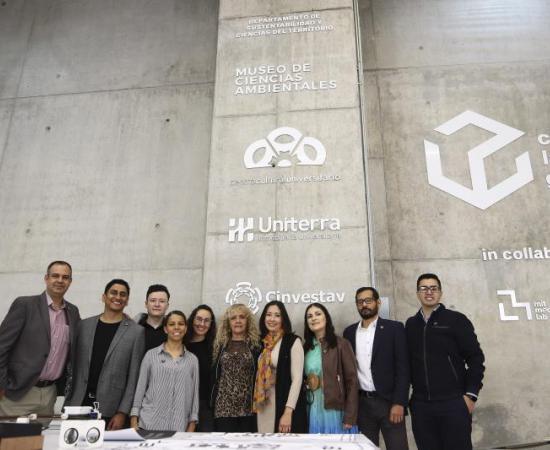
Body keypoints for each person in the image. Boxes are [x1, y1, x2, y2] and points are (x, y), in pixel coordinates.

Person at [406, 273, 485, 450]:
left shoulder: (456, 320)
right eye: (424, 288)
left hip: (454, 403)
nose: (429, 292)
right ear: (417, 293)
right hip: (421, 405)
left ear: (440, 292)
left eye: (433, 288)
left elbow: (475, 357)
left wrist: (470, 395)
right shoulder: (411, 324)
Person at [0, 261, 80, 417]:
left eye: (65, 277)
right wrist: (2, 384)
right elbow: (2, 347)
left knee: (40, 441)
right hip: (18, 393)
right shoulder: (25, 305)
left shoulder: (73, 312)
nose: (60, 280)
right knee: (11, 441)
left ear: (70, 282)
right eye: (55, 276)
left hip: (49, 395)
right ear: (46, 278)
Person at [64, 279, 145, 430]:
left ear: (127, 300)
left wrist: (122, 412)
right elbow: (72, 366)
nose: (118, 297)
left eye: (123, 294)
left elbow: (134, 376)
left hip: (110, 410)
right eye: (113, 292)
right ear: (104, 297)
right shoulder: (83, 326)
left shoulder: (136, 332)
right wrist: (68, 402)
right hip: (78, 404)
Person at [343, 287, 409, 449]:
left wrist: (399, 402)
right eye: (360, 302)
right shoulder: (349, 332)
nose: (364, 305)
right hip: (363, 405)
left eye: (368, 301)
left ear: (378, 302)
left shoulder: (394, 329)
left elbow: (404, 368)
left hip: (389, 403)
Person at [131, 310, 199, 431]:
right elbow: (140, 388)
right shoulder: (151, 355)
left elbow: (194, 396)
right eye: (172, 324)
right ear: (165, 329)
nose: (177, 327)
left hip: (179, 427)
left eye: (181, 324)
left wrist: (192, 425)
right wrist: (134, 420)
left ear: (186, 328)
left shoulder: (192, 360)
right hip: (149, 424)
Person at [303, 303, 358, 434]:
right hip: (312, 406)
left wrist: (350, 416)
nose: (313, 318)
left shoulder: (341, 344)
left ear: (326, 318)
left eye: (318, 314)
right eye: (309, 316)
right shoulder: (306, 347)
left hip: (335, 409)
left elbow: (352, 381)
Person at [254, 300, 307, 433]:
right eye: (269, 314)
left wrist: (288, 412)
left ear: (283, 319)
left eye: (277, 315)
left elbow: (297, 380)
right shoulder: (261, 343)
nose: (272, 319)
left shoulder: (293, 341)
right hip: (263, 405)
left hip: (284, 404)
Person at [211, 303, 260, 432]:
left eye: (242, 317)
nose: (238, 321)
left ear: (247, 320)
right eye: (233, 318)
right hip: (223, 409)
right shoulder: (219, 345)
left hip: (248, 409)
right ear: (228, 322)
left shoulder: (256, 346)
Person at [184, 304, 216, 432]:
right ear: (192, 320)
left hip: (205, 408)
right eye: (199, 319)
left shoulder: (214, 348)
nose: (202, 324)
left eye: (206, 320)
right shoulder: (181, 345)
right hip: (181, 404)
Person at [136, 284, 170, 352]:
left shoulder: (173, 330)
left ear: (167, 306)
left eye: (162, 301)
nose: (157, 304)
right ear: (146, 304)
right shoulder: (135, 328)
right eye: (153, 300)